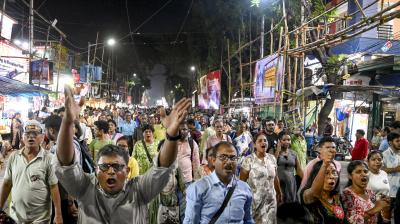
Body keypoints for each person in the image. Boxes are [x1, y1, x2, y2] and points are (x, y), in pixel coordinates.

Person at [53, 86, 191, 224]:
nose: (111, 171)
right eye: (105, 166)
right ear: (96, 170)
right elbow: (66, 165)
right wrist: (67, 121)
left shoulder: (139, 190)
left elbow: (162, 168)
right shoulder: (85, 187)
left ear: (128, 171)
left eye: (117, 167)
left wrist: (172, 135)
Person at [0, 120, 63, 223]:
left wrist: (58, 214)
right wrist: (0, 208)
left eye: (35, 134)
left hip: (40, 219)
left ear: (42, 137)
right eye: (27, 134)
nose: (31, 137)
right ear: (23, 137)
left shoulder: (49, 159)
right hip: (16, 218)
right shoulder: (14, 157)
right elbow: (7, 184)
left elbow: (54, 187)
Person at [183, 141, 254, 223]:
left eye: (233, 158)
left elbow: (248, 219)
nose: (228, 162)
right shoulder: (198, 188)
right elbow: (191, 221)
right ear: (213, 160)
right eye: (223, 157)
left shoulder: (244, 188)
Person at [240, 133, 282, 224]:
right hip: (255, 202)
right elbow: (242, 183)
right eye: (260, 141)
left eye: (265, 140)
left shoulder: (272, 159)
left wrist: (279, 193)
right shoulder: (249, 160)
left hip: (271, 201)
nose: (263, 142)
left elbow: (275, 177)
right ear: (255, 145)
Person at [274, 131, 303, 203]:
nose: (287, 142)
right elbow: (272, 164)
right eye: (284, 140)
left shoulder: (293, 153)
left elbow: (299, 170)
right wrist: (278, 150)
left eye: (288, 140)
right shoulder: (274, 152)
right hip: (278, 183)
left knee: (290, 204)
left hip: (291, 183)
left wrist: (305, 182)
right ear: (279, 141)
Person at [366, 150, 391, 222]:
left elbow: (387, 191)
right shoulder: (366, 175)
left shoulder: (384, 173)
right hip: (371, 210)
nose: (377, 162)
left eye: (379, 159)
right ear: (368, 162)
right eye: (373, 159)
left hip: (384, 211)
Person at [382, 132, 400, 211]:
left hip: (399, 190)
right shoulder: (384, 155)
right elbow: (380, 170)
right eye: (397, 141)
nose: (399, 143)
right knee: (386, 215)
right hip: (389, 191)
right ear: (390, 142)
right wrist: (395, 169)